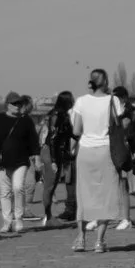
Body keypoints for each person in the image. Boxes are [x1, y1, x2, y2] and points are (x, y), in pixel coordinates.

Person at [69, 70, 127, 251]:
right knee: (106, 196)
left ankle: (80, 238)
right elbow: (120, 125)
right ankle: (99, 241)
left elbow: (77, 130)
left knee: (84, 195)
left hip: (85, 151)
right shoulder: (113, 101)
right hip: (106, 150)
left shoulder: (81, 101)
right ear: (106, 81)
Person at [0, 94, 40, 232]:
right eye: (14, 103)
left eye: (19, 104)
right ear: (7, 104)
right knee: (5, 193)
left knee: (17, 187)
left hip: (21, 161)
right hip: (3, 162)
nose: (17, 106)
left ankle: (19, 218)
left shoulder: (26, 120)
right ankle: (7, 221)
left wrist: (37, 159)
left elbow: (34, 142)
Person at [41, 90, 78, 225]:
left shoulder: (62, 115)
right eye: (71, 100)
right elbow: (52, 138)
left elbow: (71, 134)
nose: (73, 102)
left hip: (57, 152)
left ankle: (48, 215)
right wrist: (54, 161)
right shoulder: (57, 115)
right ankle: (48, 216)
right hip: (51, 153)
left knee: (53, 184)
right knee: (49, 186)